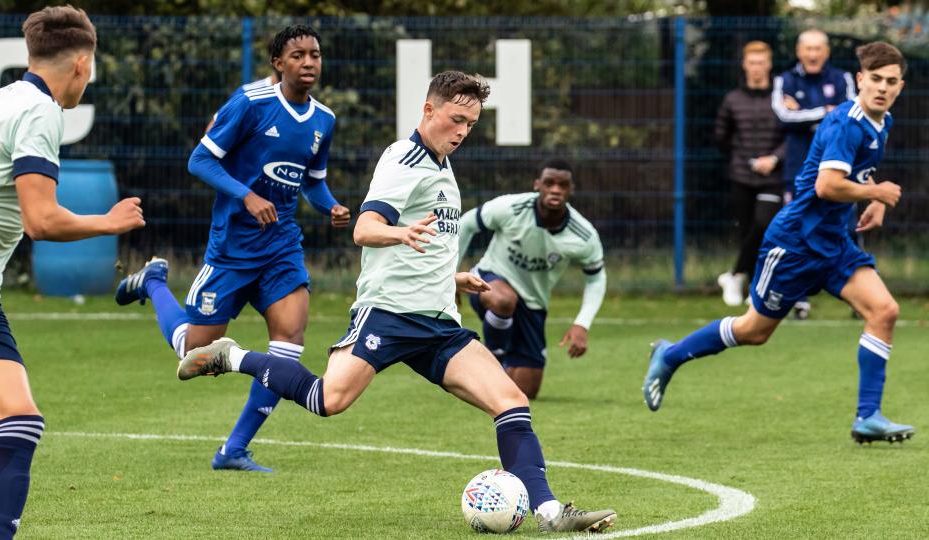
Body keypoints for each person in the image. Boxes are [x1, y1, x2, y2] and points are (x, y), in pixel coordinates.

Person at [178, 71, 617, 533]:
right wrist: (399, 232)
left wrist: (453, 276)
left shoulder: (443, 165)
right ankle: (234, 355)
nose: (463, 131)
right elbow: (365, 228)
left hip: (438, 324)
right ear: (429, 110)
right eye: (456, 119)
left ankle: (550, 513)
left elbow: (432, 240)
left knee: (511, 401)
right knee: (328, 400)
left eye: (471, 122)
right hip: (387, 314)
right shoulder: (403, 159)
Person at [643, 42, 914, 446]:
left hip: (835, 243)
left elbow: (856, 177)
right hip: (795, 244)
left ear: (900, 86)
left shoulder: (883, 121)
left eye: (891, 82)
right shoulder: (846, 123)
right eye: (875, 79)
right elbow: (827, 185)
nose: (882, 88)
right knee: (754, 331)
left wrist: (873, 198)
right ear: (860, 80)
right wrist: (875, 193)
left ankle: (868, 416)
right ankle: (670, 355)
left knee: (885, 311)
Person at [114, 25, 350, 473]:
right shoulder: (250, 104)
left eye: (315, 55)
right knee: (194, 353)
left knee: (290, 340)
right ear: (278, 63)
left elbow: (314, 184)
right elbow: (199, 160)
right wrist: (245, 194)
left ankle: (233, 449)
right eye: (297, 55)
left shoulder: (324, 119)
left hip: (281, 247)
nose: (308, 63)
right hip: (232, 248)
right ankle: (155, 283)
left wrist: (332, 207)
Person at [0, 7, 145, 537]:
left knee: (18, 423)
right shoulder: (41, 110)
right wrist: (108, 222)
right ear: (83, 63)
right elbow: (41, 221)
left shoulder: (2, 98)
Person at [456, 159, 605, 399]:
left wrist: (582, 323)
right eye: (549, 183)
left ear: (571, 190)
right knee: (504, 301)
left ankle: (486, 375)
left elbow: (596, 279)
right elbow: (465, 224)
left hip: (534, 303)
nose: (555, 189)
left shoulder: (584, 235)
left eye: (562, 184)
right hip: (488, 281)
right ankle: (492, 361)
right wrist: (451, 276)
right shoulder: (511, 207)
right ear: (538, 185)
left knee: (524, 391)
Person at [771, 29, 856, 319]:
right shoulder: (785, 80)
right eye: (807, 48)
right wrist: (826, 112)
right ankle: (798, 299)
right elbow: (784, 116)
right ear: (798, 51)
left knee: (845, 231)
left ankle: (857, 295)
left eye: (818, 48)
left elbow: (851, 114)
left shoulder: (842, 78)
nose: (813, 54)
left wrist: (809, 113)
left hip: (838, 169)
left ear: (827, 51)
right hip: (798, 171)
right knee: (796, 233)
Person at [714, 41, 785, 307]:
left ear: (769, 64)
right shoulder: (733, 99)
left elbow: (792, 133)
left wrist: (774, 158)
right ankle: (753, 290)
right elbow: (722, 137)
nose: (756, 68)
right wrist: (744, 159)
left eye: (761, 62)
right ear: (745, 65)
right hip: (741, 176)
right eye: (752, 63)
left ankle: (734, 275)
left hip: (773, 176)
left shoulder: (781, 97)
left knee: (765, 226)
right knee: (747, 232)